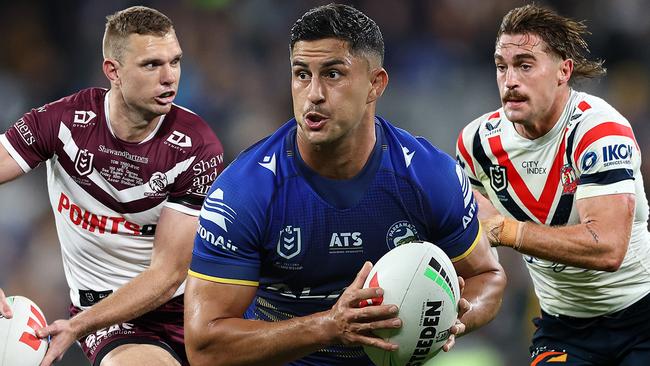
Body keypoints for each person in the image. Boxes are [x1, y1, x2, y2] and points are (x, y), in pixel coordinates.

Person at [184, 4, 506, 366]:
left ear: (375, 84)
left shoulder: (429, 176)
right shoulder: (245, 191)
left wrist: (454, 318)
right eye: (301, 74)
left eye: (333, 74)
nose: (314, 93)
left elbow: (487, 276)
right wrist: (330, 326)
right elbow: (204, 346)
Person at [0, 6, 224, 366]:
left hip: (191, 305)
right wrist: (82, 324)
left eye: (175, 61)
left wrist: (75, 326)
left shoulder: (196, 146)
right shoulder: (63, 123)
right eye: (152, 65)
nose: (170, 77)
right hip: (107, 316)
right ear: (113, 71)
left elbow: (167, 275)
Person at [456, 4, 650, 365]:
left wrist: (507, 230)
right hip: (562, 328)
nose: (510, 80)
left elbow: (608, 247)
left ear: (564, 70)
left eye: (525, 65)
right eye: (502, 66)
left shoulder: (599, 130)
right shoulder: (476, 144)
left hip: (640, 318)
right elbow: (471, 236)